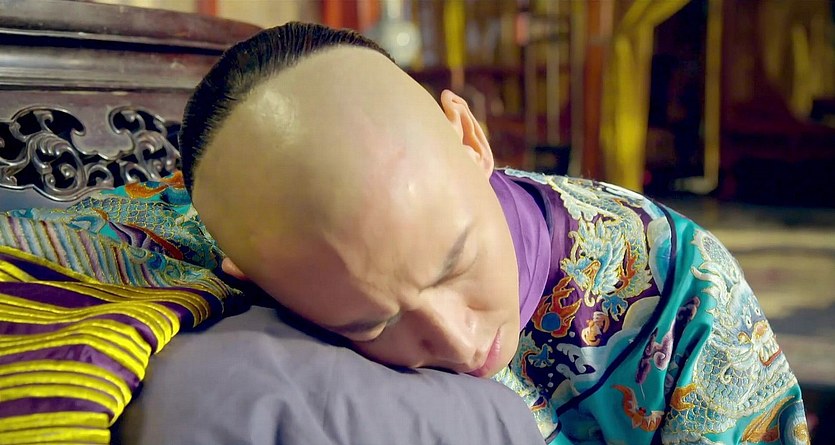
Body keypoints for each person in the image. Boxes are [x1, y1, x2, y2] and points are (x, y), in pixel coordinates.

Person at [178, 22, 809, 445]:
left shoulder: (686, 289)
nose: (461, 342)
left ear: (470, 137)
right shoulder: (239, 257)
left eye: (456, 262)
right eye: (371, 325)